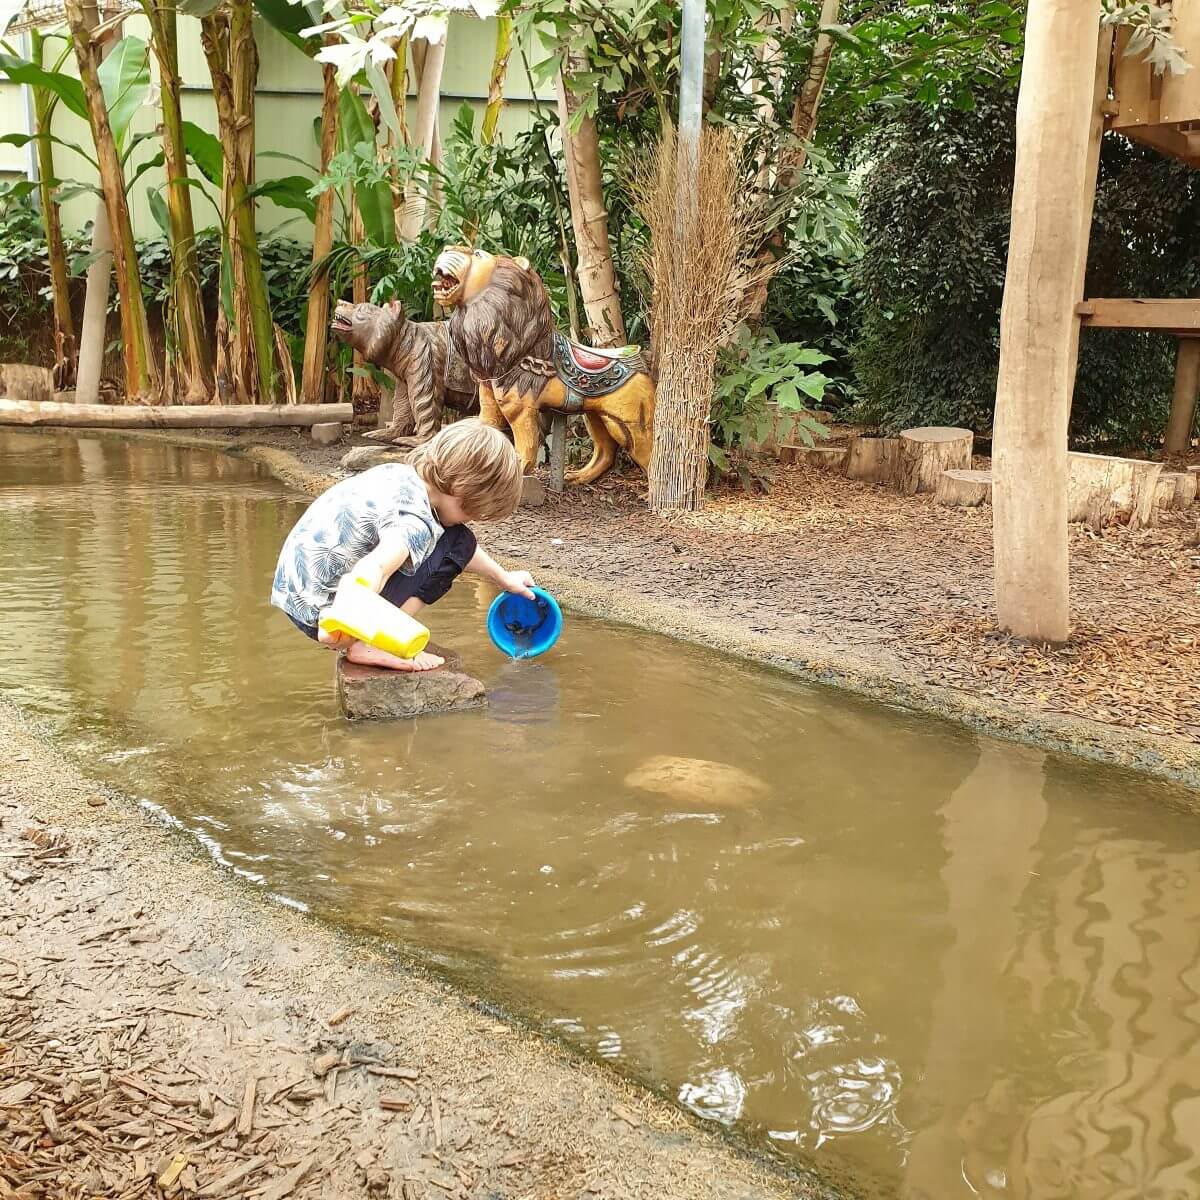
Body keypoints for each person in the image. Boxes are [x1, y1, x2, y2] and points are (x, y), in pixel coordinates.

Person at [270, 419, 535, 672]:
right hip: (328, 611)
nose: (473, 520)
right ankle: (367, 644)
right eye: (475, 514)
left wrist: (503, 578)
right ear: (464, 491)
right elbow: (379, 565)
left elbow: (459, 546)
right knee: (456, 544)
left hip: (294, 591)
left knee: (457, 539)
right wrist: (351, 605)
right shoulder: (416, 522)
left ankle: (357, 626)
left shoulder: (401, 475)